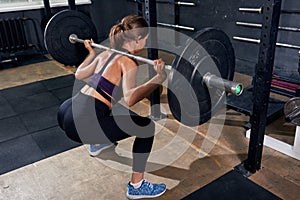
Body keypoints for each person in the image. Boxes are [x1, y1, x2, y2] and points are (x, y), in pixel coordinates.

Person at [57, 15, 167, 199]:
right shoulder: (129, 62)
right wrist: (159, 78)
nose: (147, 42)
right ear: (138, 38)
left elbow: (79, 74)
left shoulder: (105, 53)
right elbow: (131, 98)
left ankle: (96, 144)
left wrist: (91, 53)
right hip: (82, 123)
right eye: (146, 38)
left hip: (67, 110)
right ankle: (137, 186)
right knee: (147, 127)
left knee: (112, 109)